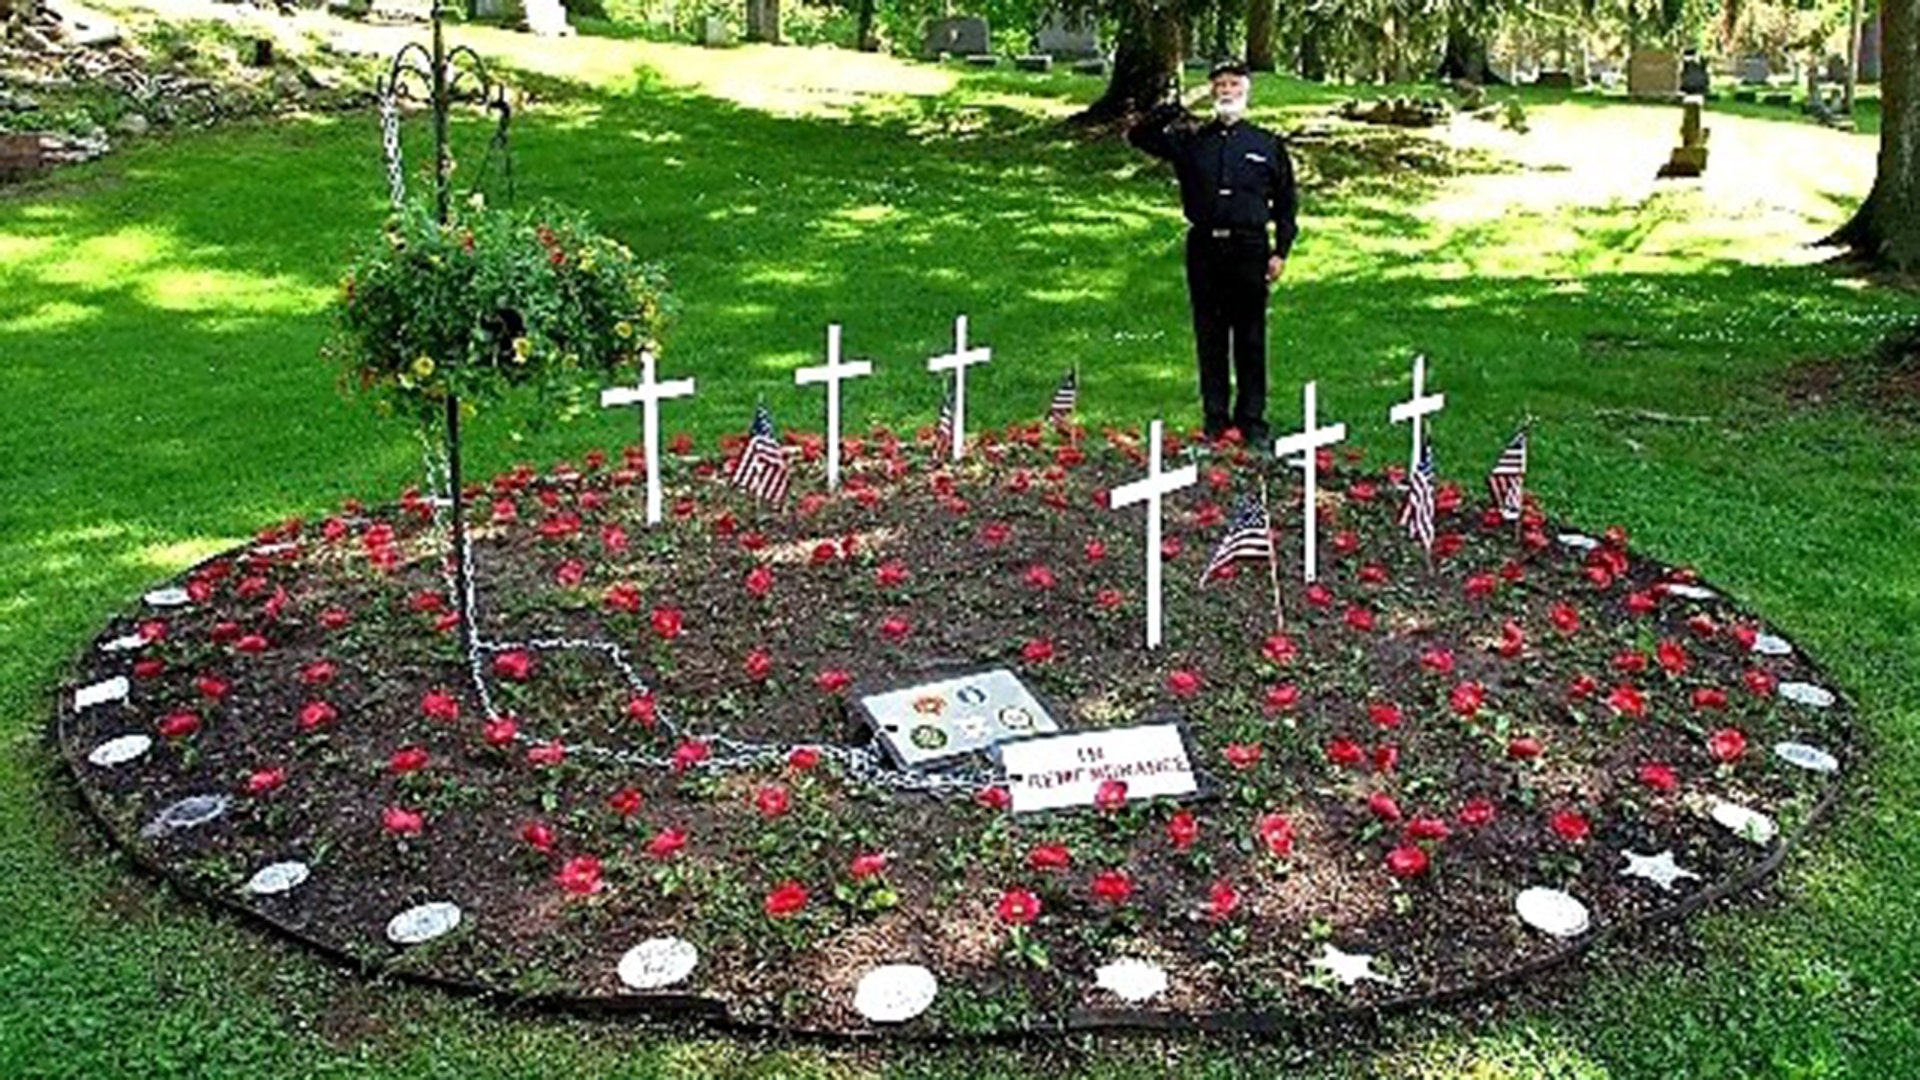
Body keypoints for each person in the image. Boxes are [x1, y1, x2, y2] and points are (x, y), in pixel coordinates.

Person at [1126, 59, 1299, 447]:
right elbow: (1139, 134)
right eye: (1219, 84)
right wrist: (1180, 102)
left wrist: (1281, 252)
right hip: (1205, 248)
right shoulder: (1192, 141)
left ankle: (1252, 421)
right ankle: (1216, 420)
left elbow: (1287, 204)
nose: (1226, 90)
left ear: (1247, 90)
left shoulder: (1267, 144)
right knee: (1210, 335)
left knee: (1250, 337)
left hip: (1250, 249)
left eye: (1234, 84)